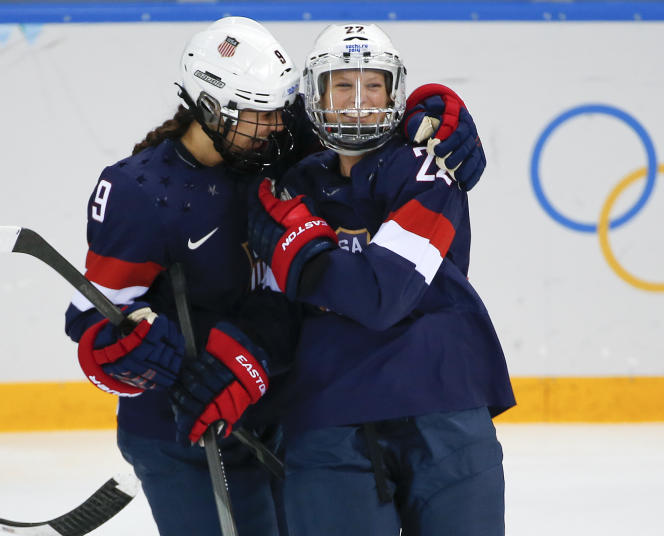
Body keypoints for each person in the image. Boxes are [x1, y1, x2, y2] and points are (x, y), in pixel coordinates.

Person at [63, 16, 488, 536]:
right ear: (210, 108)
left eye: (278, 110)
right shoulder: (141, 191)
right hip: (186, 429)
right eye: (257, 113)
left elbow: (364, 114)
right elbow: (96, 316)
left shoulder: (283, 150)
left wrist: (439, 112)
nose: (274, 125)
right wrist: (130, 356)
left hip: (277, 411)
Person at [247, 23, 515, 535]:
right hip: (328, 420)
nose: (357, 103)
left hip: (443, 412)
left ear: (395, 93)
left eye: (373, 86)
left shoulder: (427, 168)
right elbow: (273, 309)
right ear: (316, 95)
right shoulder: (292, 183)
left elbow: (381, 295)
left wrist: (301, 247)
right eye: (342, 86)